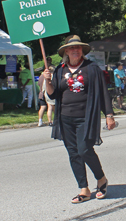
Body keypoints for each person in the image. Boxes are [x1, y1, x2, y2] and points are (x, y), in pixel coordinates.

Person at [44, 35, 115, 203]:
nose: (75, 50)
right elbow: (53, 94)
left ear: (82, 50)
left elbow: (104, 93)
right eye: (71, 48)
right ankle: (83, 188)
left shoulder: (92, 68)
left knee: (84, 150)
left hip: (86, 117)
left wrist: (109, 115)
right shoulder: (60, 70)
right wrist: (48, 81)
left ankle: (101, 179)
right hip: (65, 118)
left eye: (78, 48)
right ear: (66, 51)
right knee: (73, 153)